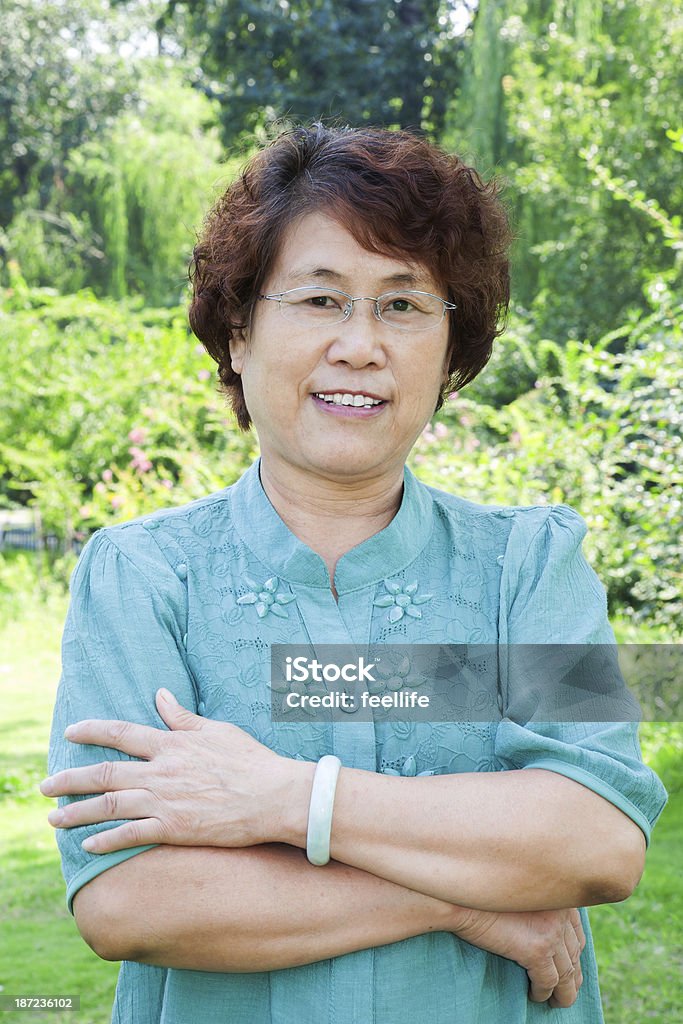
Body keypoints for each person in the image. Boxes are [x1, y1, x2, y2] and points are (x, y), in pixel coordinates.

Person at [42, 123, 667, 1024]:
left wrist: (283, 797)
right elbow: (130, 900)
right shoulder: (143, 577)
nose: (361, 345)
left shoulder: (528, 566)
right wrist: (466, 898)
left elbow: (596, 840)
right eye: (320, 299)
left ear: (452, 352)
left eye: (404, 305)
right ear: (238, 331)